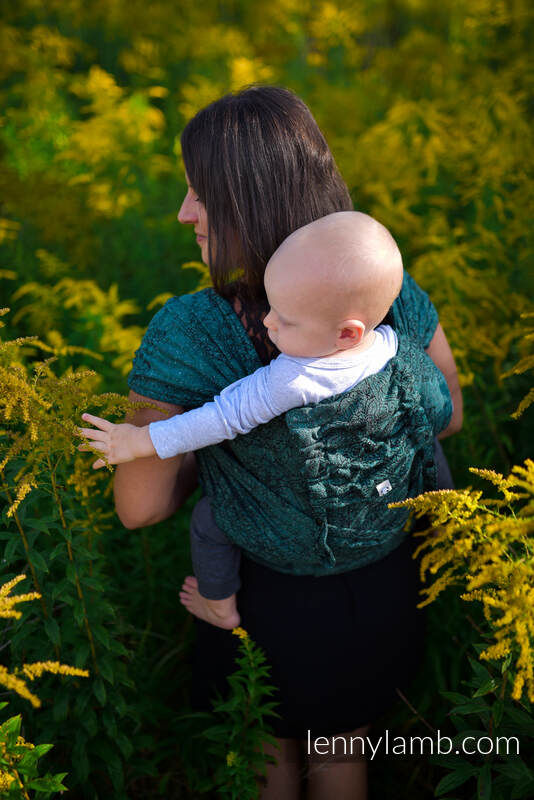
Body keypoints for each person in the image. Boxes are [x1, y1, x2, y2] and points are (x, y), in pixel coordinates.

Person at [111, 86, 463, 799]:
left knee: (265, 754)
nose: (184, 213)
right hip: (381, 581)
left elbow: (139, 508)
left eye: (201, 192)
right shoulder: (381, 297)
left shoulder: (190, 331)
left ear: (251, 200)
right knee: (341, 755)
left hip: (251, 594)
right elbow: (447, 413)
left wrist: (208, 460)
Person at [78, 211, 452, 636]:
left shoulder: (291, 378)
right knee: (430, 451)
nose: (269, 322)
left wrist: (141, 442)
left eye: (284, 318)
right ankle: (447, 523)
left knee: (210, 521)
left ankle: (219, 605)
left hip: (299, 535)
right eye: (270, 308)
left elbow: (219, 418)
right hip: (384, 522)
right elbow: (441, 412)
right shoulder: (393, 346)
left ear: (347, 333)